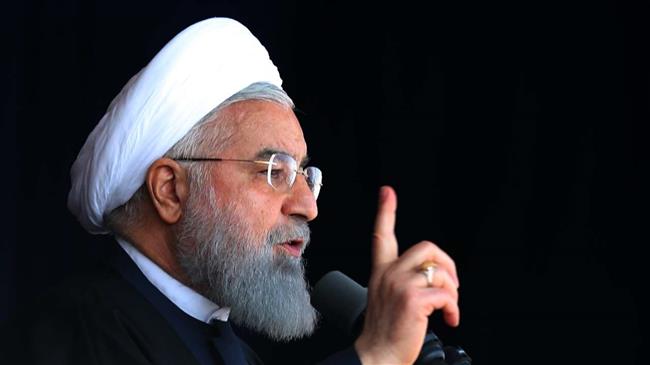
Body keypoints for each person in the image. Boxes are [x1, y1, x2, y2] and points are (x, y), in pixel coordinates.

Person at [1, 17, 460, 365]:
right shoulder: (73, 335)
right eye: (274, 170)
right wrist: (376, 355)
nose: (307, 205)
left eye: (304, 173)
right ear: (170, 191)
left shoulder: (233, 350)